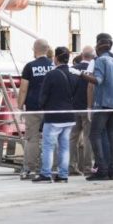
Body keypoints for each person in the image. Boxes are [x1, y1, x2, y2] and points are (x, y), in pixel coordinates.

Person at [74, 38, 113, 181]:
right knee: (111, 136)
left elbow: (98, 80)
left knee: (94, 135)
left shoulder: (101, 61)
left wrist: (80, 74)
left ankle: (102, 170)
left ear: (98, 48)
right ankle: (112, 171)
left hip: (103, 104)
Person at [86, 33, 113, 178]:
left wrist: (89, 106)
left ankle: (102, 168)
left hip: (103, 104)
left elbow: (92, 85)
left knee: (97, 135)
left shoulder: (97, 60)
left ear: (98, 44)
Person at [33, 47, 79, 183]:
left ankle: (46, 174)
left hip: (53, 116)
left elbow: (43, 96)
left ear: (56, 58)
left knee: (48, 146)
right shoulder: (74, 74)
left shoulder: (51, 75)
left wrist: (42, 107)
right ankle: (63, 175)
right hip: (69, 116)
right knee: (64, 147)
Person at [17, 38, 54, 179]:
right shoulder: (53, 65)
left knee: (32, 139)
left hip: (33, 107)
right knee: (50, 138)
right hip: (50, 108)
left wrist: (19, 107)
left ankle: (29, 168)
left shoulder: (29, 67)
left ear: (35, 49)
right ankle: (50, 167)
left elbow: (23, 89)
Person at [69, 45, 94, 175]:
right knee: (88, 138)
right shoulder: (93, 69)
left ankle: (71, 166)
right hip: (88, 108)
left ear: (82, 55)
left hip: (74, 107)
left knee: (72, 138)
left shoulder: (72, 69)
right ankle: (87, 167)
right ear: (93, 57)